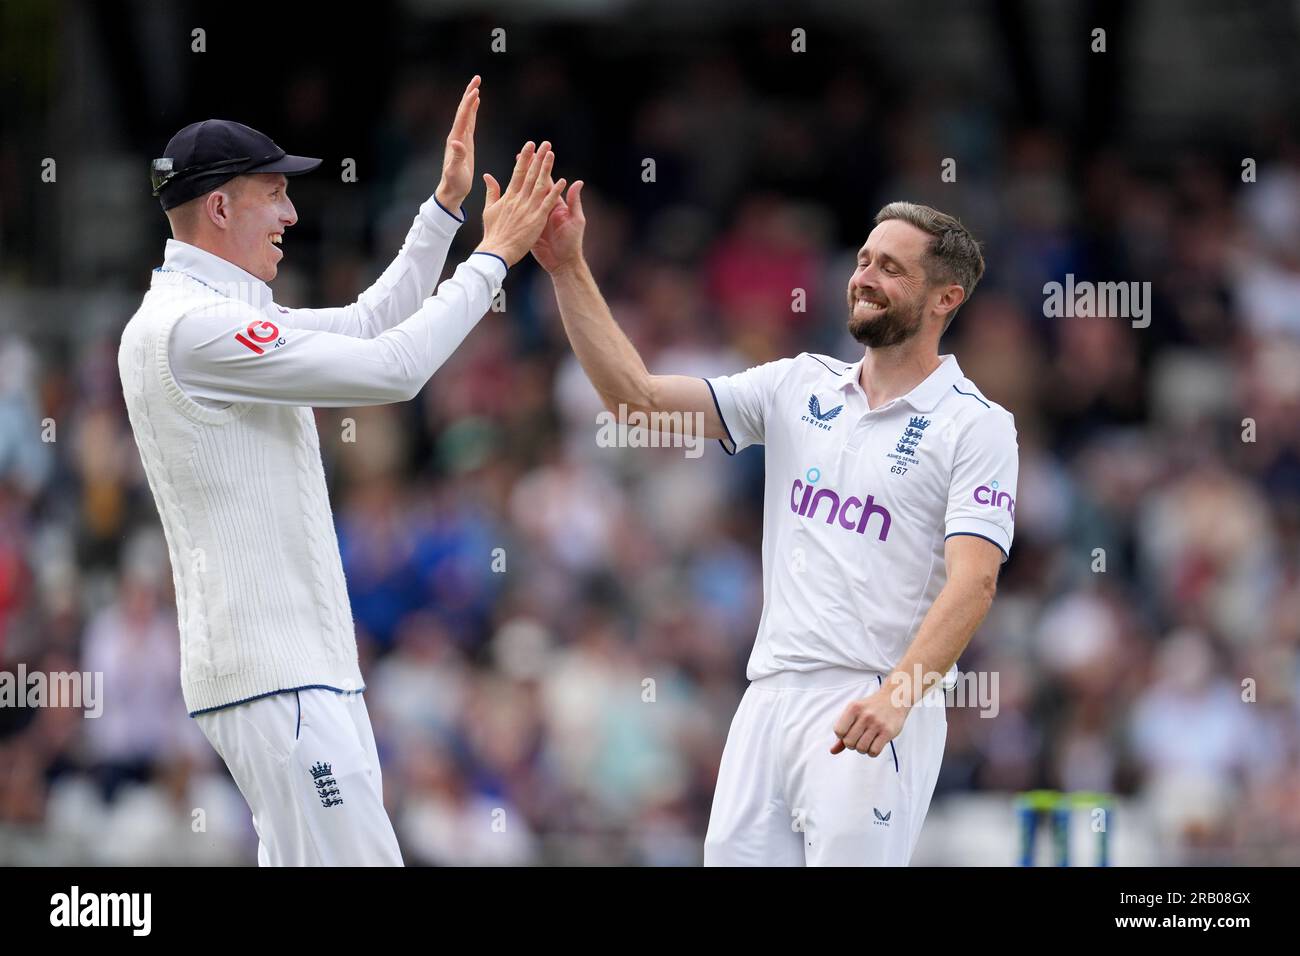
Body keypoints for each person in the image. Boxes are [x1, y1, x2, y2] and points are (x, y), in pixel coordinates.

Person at [117, 76, 567, 865]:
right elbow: (393, 371)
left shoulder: (213, 317)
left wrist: (442, 213)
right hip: (280, 680)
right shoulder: (194, 328)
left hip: (290, 679)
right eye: (274, 195)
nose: (292, 216)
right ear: (219, 208)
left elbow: (367, 326)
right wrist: (496, 258)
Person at [531, 183, 1018, 865]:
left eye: (892, 268)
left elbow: (975, 584)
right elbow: (635, 400)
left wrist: (899, 697)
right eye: (864, 260)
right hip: (768, 699)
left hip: (871, 699)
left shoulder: (977, 424)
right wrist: (566, 266)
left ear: (946, 299)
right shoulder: (798, 385)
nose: (866, 278)